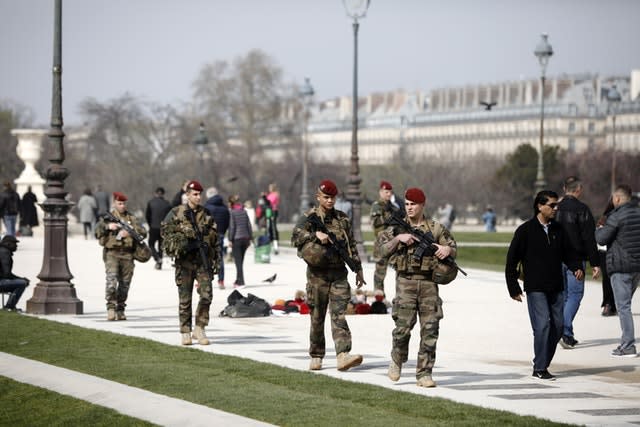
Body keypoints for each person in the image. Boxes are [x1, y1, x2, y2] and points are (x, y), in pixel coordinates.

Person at [376, 187, 456, 388]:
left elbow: (452, 247)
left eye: (414, 205)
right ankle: (397, 359)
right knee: (402, 329)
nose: (410, 208)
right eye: (407, 204)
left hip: (429, 283)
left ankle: (424, 373)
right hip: (406, 282)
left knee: (430, 329)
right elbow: (380, 250)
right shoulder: (396, 227)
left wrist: (447, 249)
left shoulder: (435, 228)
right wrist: (397, 239)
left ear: (422, 205)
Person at [505, 190, 584, 380]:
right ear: (540, 206)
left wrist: (575, 267)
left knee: (558, 326)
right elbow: (511, 260)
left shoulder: (558, 229)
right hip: (535, 287)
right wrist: (513, 288)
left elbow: (569, 253)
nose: (556, 209)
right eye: (552, 205)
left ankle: (542, 362)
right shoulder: (525, 231)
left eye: (557, 205)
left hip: (556, 286)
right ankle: (539, 368)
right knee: (542, 327)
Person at [291, 179, 365, 372]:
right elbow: (295, 237)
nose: (330, 201)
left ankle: (343, 355)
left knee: (339, 314)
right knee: (317, 316)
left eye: (332, 197)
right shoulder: (309, 217)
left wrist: (358, 268)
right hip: (318, 276)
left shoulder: (342, 219)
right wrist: (316, 235)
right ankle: (316, 354)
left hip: (339, 274)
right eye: (326, 197)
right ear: (318, 197)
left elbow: (352, 245)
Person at [161, 180, 219, 346]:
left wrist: (216, 261)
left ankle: (199, 328)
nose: (198, 197)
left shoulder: (206, 214)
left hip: (203, 262)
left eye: (200, 194)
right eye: (194, 194)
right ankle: (185, 331)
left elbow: (215, 239)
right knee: (185, 300)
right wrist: (183, 231)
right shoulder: (176, 212)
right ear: (187, 195)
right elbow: (164, 230)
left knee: (207, 295)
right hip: (185, 262)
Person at [555, 176, 601, 349]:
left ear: (564, 188)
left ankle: (567, 334)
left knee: (566, 296)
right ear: (578, 190)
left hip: (557, 258)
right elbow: (589, 238)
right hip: (576, 259)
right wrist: (595, 263)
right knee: (575, 295)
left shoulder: (555, 208)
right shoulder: (582, 209)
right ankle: (563, 330)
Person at [595, 184, 640, 358]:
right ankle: (626, 343)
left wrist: (598, 229)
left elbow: (601, 238)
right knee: (625, 305)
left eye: (613, 198)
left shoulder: (616, 216)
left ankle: (628, 345)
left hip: (620, 266)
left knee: (623, 307)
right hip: (636, 267)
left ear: (618, 199)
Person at [94, 191, 147, 321]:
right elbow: (97, 232)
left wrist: (129, 233)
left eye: (124, 203)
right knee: (111, 282)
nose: (122, 206)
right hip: (112, 253)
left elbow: (143, 232)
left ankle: (120, 309)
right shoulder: (108, 217)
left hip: (128, 254)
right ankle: (111, 308)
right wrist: (108, 227)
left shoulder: (132, 218)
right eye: (119, 203)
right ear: (114, 203)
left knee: (125, 285)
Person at [370, 180, 400, 295]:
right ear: (381, 192)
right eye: (386, 192)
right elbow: (375, 222)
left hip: (394, 242)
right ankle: (379, 295)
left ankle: (401, 296)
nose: (389, 194)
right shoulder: (377, 206)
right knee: (380, 270)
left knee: (399, 267)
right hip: (381, 242)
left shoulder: (393, 207)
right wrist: (389, 217)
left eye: (390, 192)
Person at [204, 187, 230, 289]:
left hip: (208, 235)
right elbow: (227, 222)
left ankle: (205, 280)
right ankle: (221, 281)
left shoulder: (206, 207)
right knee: (219, 258)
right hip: (220, 234)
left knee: (206, 258)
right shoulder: (224, 208)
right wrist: (223, 231)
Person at [596, 198, 616, 317]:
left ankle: (611, 304)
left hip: (606, 251)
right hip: (606, 251)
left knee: (610, 279)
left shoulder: (605, 218)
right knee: (608, 279)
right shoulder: (605, 219)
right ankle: (608, 304)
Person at [228, 195, 252, 288]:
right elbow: (249, 225)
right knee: (240, 261)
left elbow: (232, 227)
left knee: (238, 262)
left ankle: (241, 282)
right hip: (245, 239)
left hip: (237, 239)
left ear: (231, 203)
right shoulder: (244, 211)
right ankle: (238, 279)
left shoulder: (232, 212)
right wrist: (250, 238)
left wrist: (230, 239)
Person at [0, 235, 29, 311]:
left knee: (18, 282)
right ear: (8, 244)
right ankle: (10, 306)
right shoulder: (4, 253)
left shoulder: (3, 251)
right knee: (22, 283)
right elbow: (7, 274)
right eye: (14, 243)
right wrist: (21, 279)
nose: (16, 246)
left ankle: (10, 306)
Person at [145, 187, 171, 270]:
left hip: (153, 227)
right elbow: (169, 217)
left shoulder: (151, 202)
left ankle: (157, 258)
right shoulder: (167, 203)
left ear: (156, 193)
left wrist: (150, 224)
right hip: (163, 227)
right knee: (161, 246)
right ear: (163, 194)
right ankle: (159, 262)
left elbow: (147, 215)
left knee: (151, 244)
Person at [266, 183, 280, 254]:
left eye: (270, 187)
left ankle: (275, 246)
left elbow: (270, 202)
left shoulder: (275, 194)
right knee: (269, 228)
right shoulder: (270, 194)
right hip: (269, 212)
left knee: (273, 227)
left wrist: (265, 198)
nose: (269, 189)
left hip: (273, 212)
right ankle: (270, 244)